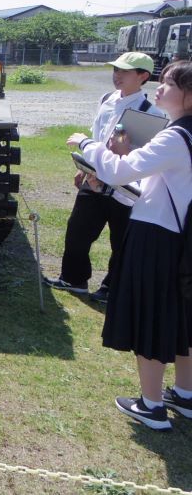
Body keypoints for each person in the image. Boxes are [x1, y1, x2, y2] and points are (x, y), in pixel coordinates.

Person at [68, 60, 192, 430]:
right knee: (183, 318)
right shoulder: (182, 135)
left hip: (157, 237)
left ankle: (151, 405)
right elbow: (156, 185)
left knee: (150, 316)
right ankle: (185, 395)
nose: (160, 88)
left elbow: (121, 170)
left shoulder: (174, 137)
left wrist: (87, 145)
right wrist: (110, 175)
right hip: (181, 236)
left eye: (169, 83)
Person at [45, 52, 165, 303]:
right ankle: (74, 279)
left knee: (120, 239)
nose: (117, 76)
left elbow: (144, 156)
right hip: (94, 177)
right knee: (78, 230)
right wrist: (84, 169)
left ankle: (112, 288)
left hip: (125, 186)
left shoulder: (152, 113)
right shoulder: (106, 99)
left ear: (143, 76)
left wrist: (122, 155)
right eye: (115, 70)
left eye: (125, 72)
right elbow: (97, 136)